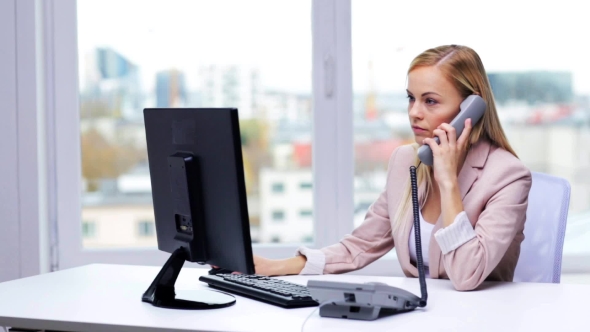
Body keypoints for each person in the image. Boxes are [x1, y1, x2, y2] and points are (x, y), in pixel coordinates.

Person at [254, 44, 532, 291]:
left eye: (430, 101)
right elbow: (359, 247)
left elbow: (467, 275)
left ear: (471, 108)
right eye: (411, 98)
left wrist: (448, 182)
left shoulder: (507, 176)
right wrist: (272, 267)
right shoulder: (405, 162)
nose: (414, 112)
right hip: (420, 315)